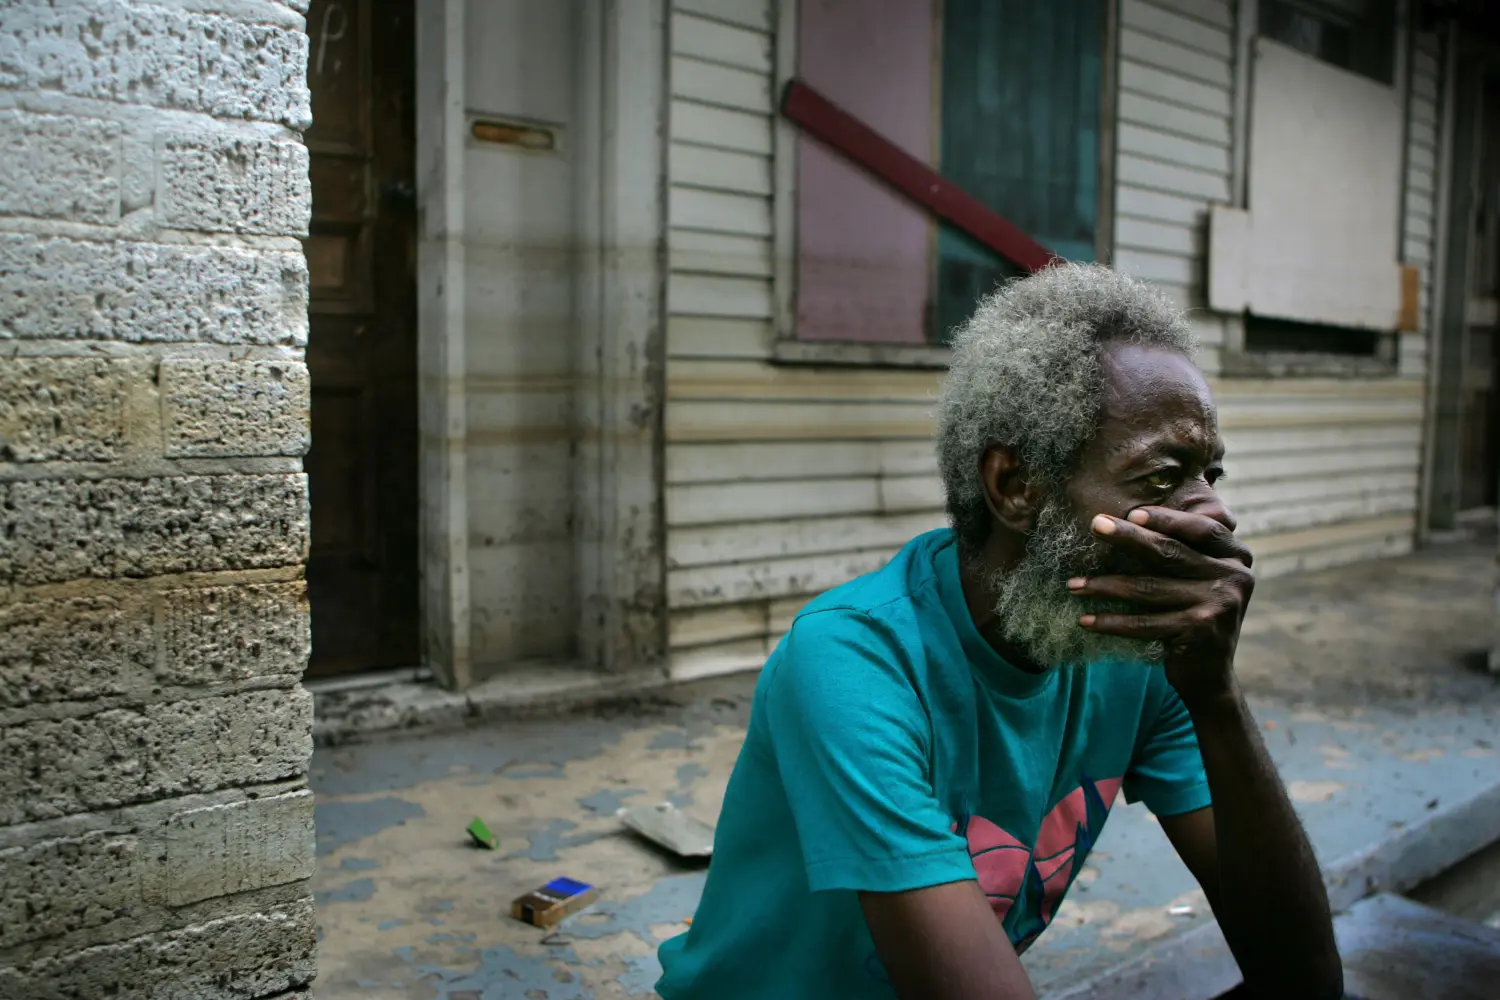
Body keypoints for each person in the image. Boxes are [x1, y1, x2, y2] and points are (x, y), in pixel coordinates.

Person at [654, 264, 1342, 999]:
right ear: (1015, 487)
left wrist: (1217, 699)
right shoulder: (853, 661)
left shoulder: (1139, 654)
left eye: (1212, 474)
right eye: (1161, 477)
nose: (1213, 515)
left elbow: (1302, 980)